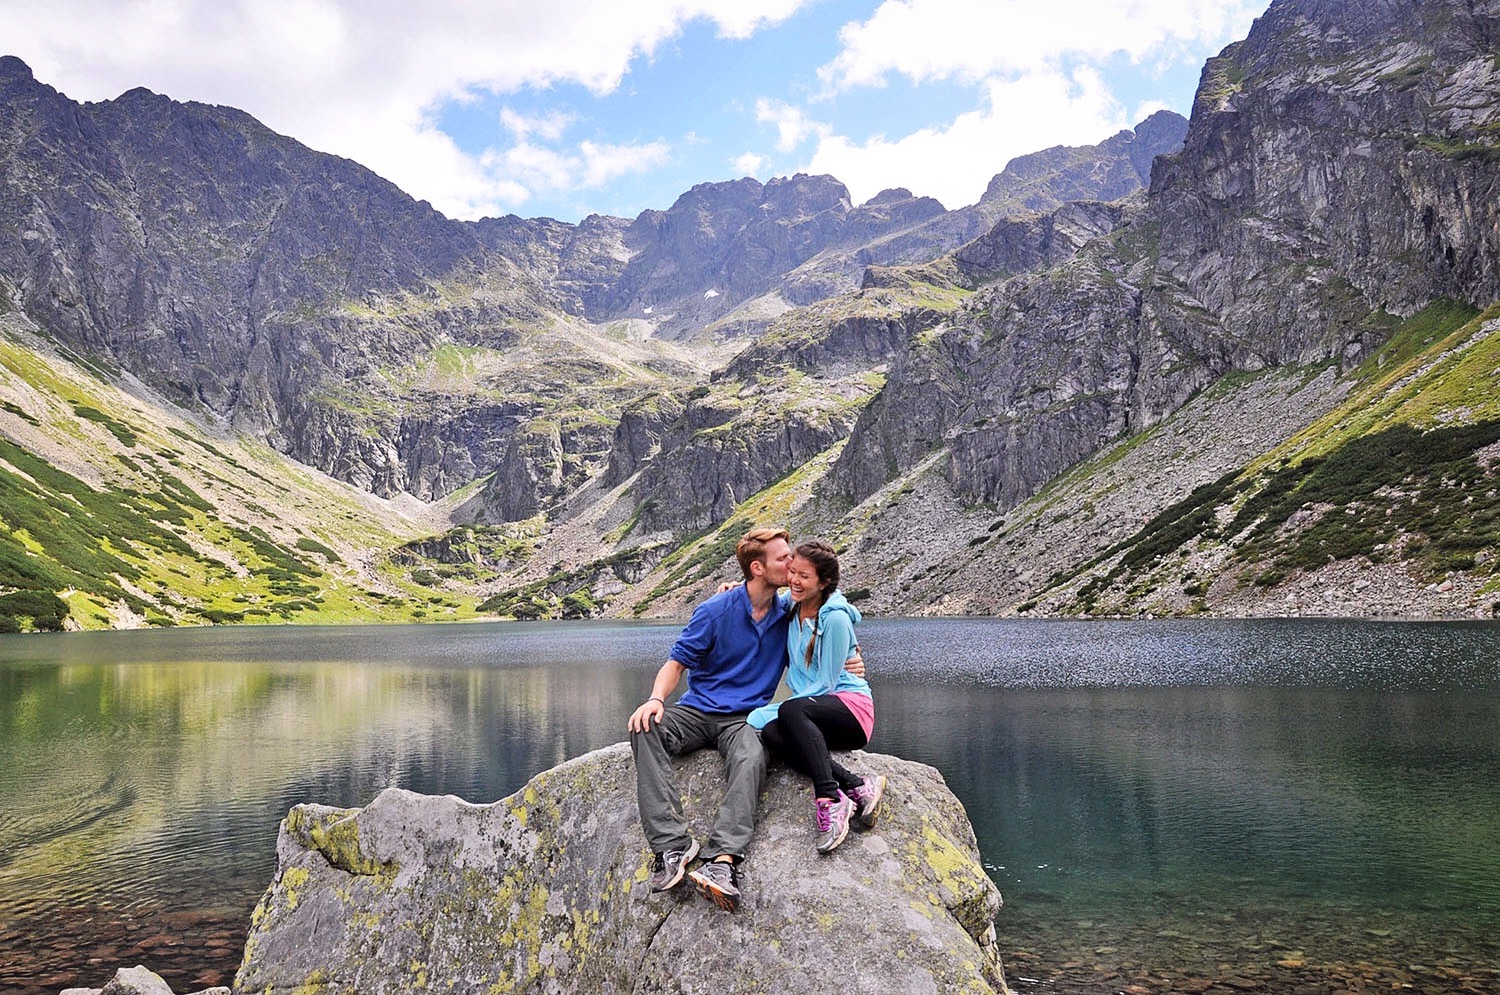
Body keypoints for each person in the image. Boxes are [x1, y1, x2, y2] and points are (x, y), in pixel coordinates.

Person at [627, 526, 863, 912]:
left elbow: (836, 609)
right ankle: (672, 847)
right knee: (644, 727)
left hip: (746, 719)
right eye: (783, 558)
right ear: (757, 567)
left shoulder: (789, 610)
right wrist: (655, 699)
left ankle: (723, 862)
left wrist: (851, 657)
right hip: (696, 711)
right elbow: (677, 662)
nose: (792, 563)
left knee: (753, 758)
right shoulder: (715, 610)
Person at [748, 539, 886, 854]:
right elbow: (755, 602)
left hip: (851, 711)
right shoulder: (791, 606)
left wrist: (767, 711)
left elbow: (825, 685)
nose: (794, 580)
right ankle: (856, 784)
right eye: (792, 572)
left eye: (804, 576)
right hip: (812, 712)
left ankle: (831, 799)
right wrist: (733, 589)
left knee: (784, 715)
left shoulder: (834, 619)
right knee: (771, 733)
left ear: (823, 582)